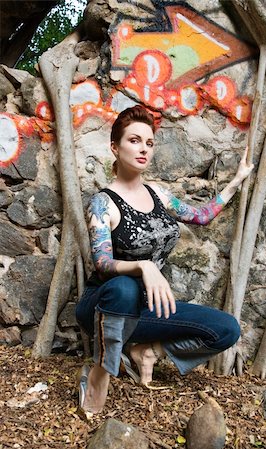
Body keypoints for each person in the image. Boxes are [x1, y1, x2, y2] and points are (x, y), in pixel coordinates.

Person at [75, 105, 254, 415]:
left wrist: (236, 181)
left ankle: (147, 351)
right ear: (115, 148)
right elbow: (103, 264)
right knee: (124, 289)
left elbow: (200, 215)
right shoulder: (103, 202)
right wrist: (143, 267)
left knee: (226, 329)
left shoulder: (157, 194)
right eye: (134, 140)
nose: (143, 148)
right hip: (103, 306)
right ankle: (100, 373)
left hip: (145, 311)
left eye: (149, 142)